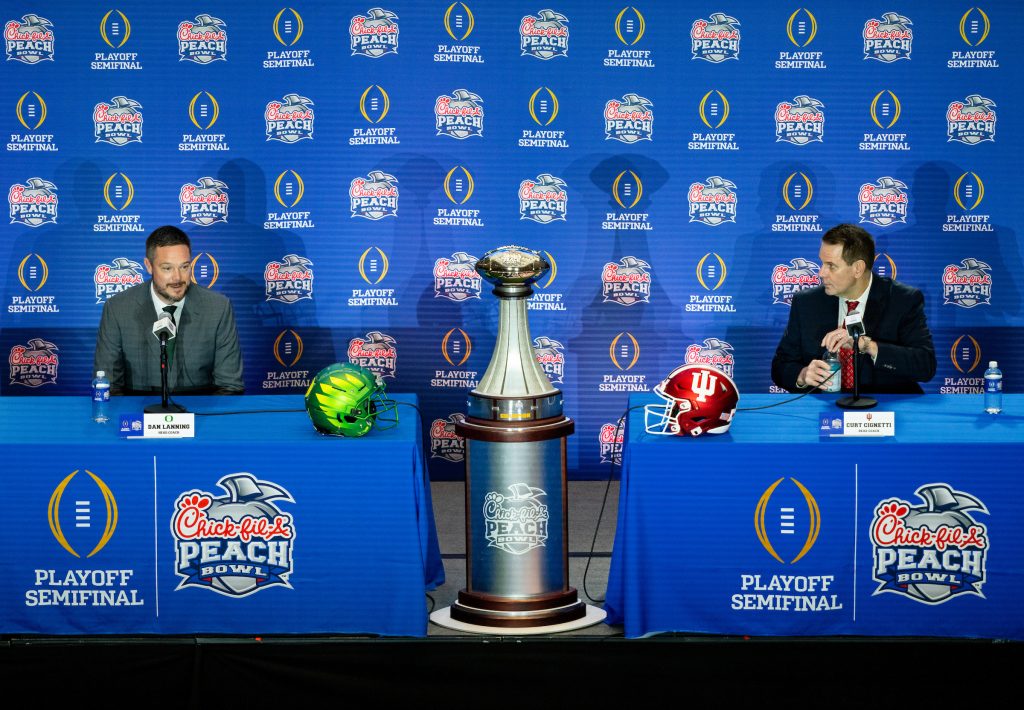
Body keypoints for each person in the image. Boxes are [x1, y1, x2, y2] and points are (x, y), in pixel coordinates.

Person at [771, 223, 936, 394]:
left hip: (885, 409)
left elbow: (925, 365)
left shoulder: (903, 300)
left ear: (858, 268)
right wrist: (803, 374)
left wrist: (867, 345)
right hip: (824, 411)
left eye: (831, 266)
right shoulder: (806, 302)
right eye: (822, 263)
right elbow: (781, 366)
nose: (821, 273)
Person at [94, 225, 244, 395]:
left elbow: (230, 386)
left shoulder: (217, 308)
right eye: (167, 268)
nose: (177, 278)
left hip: (200, 415)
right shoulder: (118, 309)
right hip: (140, 414)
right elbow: (108, 386)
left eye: (184, 267)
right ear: (148, 266)